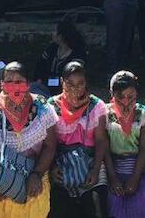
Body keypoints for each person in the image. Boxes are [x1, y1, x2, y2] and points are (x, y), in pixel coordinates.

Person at [0, 61, 58, 218]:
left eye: (19, 82)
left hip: (33, 170)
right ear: (1, 85)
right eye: (9, 82)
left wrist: (37, 174)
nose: (14, 87)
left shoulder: (43, 109)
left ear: (28, 84)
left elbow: (50, 146)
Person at [48, 61, 108, 218]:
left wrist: (95, 170)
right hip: (61, 165)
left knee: (95, 206)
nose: (75, 89)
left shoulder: (96, 106)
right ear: (62, 82)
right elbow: (48, 144)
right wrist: (53, 167)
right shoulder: (52, 106)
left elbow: (101, 140)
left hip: (90, 162)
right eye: (70, 84)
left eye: (80, 83)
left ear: (86, 82)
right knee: (59, 207)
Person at [103, 71, 145, 218]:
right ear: (112, 95)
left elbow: (144, 148)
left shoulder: (144, 114)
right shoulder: (104, 114)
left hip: (139, 168)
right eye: (120, 98)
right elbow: (105, 148)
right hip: (114, 166)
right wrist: (112, 177)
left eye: (130, 97)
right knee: (114, 203)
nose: (126, 103)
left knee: (140, 204)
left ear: (136, 93)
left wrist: (135, 178)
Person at [33, 20, 87, 97]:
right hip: (45, 87)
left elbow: (74, 75)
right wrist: (39, 79)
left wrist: (49, 81)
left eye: (54, 31)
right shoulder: (52, 48)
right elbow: (40, 66)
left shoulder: (77, 54)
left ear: (61, 36)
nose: (52, 33)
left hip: (67, 91)